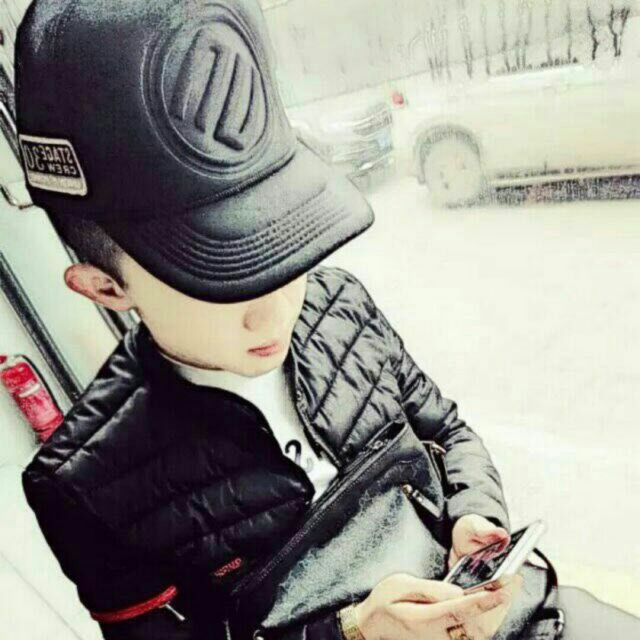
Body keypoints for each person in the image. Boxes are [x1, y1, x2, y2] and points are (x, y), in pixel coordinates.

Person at [12, 1, 639, 640]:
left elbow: (446, 430)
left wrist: (473, 517)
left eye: (287, 247)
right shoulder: (84, 487)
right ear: (105, 287)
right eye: (223, 278)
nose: (276, 308)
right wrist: (352, 632)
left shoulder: (339, 304)